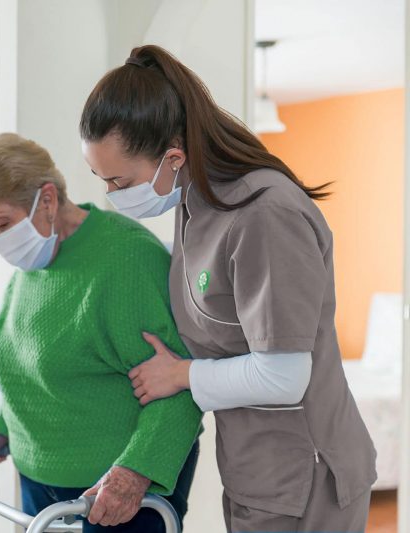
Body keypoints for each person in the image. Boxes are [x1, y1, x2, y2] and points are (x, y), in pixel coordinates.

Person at [80, 44, 377, 533]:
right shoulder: (194, 201)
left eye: (119, 181)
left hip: (306, 474)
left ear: (173, 157)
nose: (111, 196)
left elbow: (285, 376)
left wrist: (181, 376)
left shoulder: (265, 215)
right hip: (255, 471)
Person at [0, 133, 201, 532]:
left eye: (1, 223)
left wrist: (133, 474)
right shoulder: (33, 266)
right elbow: (29, 367)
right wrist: (1, 429)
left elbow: (180, 389)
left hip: (116, 496)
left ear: (47, 200)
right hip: (39, 489)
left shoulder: (127, 258)